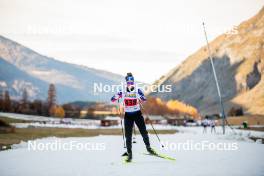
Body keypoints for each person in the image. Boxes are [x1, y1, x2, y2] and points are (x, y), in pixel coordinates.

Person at [111, 73, 155, 162]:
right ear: (126, 82)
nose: (130, 83)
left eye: (132, 82)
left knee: (143, 131)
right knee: (128, 136)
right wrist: (117, 96)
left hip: (137, 114)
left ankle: (149, 148)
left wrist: (141, 97)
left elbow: (144, 99)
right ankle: (129, 154)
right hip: (128, 116)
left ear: (133, 82)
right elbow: (112, 99)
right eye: (129, 82)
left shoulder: (137, 90)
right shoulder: (123, 91)